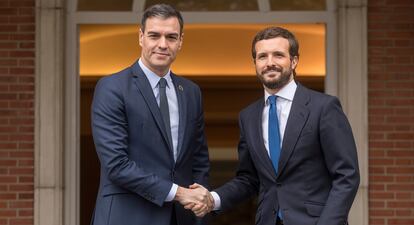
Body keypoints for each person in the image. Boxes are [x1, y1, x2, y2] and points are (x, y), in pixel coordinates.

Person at [189, 26, 360, 225]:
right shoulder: (248, 116)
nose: (270, 63)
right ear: (255, 63)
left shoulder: (324, 107)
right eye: (262, 57)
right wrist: (212, 199)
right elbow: (249, 179)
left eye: (278, 55)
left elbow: (346, 175)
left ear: (294, 61)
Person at [90, 4, 213, 225]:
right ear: (141, 37)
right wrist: (179, 193)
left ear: (181, 41)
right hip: (127, 216)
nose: (163, 45)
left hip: (182, 218)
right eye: (154, 35)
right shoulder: (112, 87)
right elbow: (116, 164)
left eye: (171, 37)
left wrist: (199, 199)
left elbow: (199, 159)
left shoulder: (191, 92)